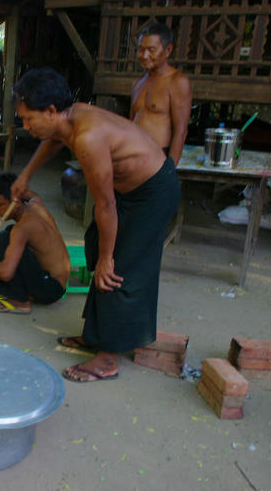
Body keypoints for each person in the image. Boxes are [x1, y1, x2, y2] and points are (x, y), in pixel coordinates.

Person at [10, 68, 180, 382]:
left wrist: (107, 258)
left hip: (153, 192)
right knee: (93, 244)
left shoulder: (88, 137)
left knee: (117, 268)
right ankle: (96, 335)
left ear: (50, 111)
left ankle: (107, 357)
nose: (25, 125)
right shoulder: (67, 118)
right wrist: (26, 175)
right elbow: (53, 140)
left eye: (28, 118)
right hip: (130, 189)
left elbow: (105, 205)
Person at [0, 173, 70, 315]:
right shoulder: (35, 203)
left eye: (0, 204)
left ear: (16, 202)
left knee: (3, 240)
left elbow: (6, 273)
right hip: (58, 283)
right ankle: (25, 291)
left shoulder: (23, 228)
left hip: (49, 289)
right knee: (9, 233)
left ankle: (19, 302)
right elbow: (25, 193)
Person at [130, 21, 192, 165]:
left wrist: (169, 169)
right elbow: (131, 124)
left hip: (158, 157)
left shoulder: (177, 81)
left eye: (151, 50)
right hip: (133, 157)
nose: (144, 55)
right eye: (140, 49)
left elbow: (181, 132)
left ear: (168, 50)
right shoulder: (137, 83)